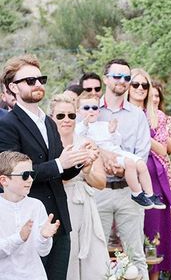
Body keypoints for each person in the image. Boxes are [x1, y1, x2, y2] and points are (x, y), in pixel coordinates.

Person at [0, 54, 92, 280]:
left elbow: (62, 169)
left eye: (40, 79)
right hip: (26, 223)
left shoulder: (50, 122)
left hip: (59, 217)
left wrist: (79, 160)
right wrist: (61, 163)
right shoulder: (7, 124)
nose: (38, 84)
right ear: (13, 87)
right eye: (30, 81)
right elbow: (15, 174)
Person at [94, 58, 151, 280]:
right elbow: (81, 143)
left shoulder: (137, 115)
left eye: (127, 77)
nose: (122, 81)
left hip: (129, 192)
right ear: (106, 79)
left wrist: (122, 167)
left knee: (136, 254)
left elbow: (142, 153)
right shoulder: (91, 110)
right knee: (96, 254)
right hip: (99, 190)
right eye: (117, 76)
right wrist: (102, 156)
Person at [52, 93, 110, 280]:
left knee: (93, 261)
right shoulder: (48, 146)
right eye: (60, 116)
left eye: (71, 115)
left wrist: (87, 170)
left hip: (85, 203)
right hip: (59, 204)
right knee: (67, 257)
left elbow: (101, 183)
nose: (66, 120)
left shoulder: (86, 143)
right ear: (51, 117)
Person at [127, 68, 171, 280]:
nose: (140, 89)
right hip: (127, 175)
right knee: (128, 230)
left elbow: (163, 149)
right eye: (135, 84)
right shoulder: (119, 113)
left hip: (154, 176)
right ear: (127, 87)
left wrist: (141, 133)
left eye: (144, 85)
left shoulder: (157, 116)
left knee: (152, 229)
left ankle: (154, 276)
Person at [75, 93, 164, 210]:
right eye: (86, 108)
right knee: (130, 163)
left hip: (116, 151)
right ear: (78, 111)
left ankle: (149, 194)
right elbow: (79, 137)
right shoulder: (80, 127)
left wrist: (112, 132)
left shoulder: (104, 124)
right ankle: (136, 193)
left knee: (141, 164)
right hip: (105, 158)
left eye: (95, 108)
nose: (91, 111)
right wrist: (85, 123)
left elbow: (117, 142)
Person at [0, 151, 60, 279]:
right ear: (4, 180)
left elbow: (43, 252)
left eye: (32, 174)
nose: (31, 179)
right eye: (25, 175)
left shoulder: (36, 205)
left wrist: (44, 237)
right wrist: (19, 238)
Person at [150, 80, 171, 232]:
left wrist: (160, 128)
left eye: (157, 96)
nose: (154, 99)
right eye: (152, 95)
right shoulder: (140, 116)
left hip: (163, 167)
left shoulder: (166, 120)